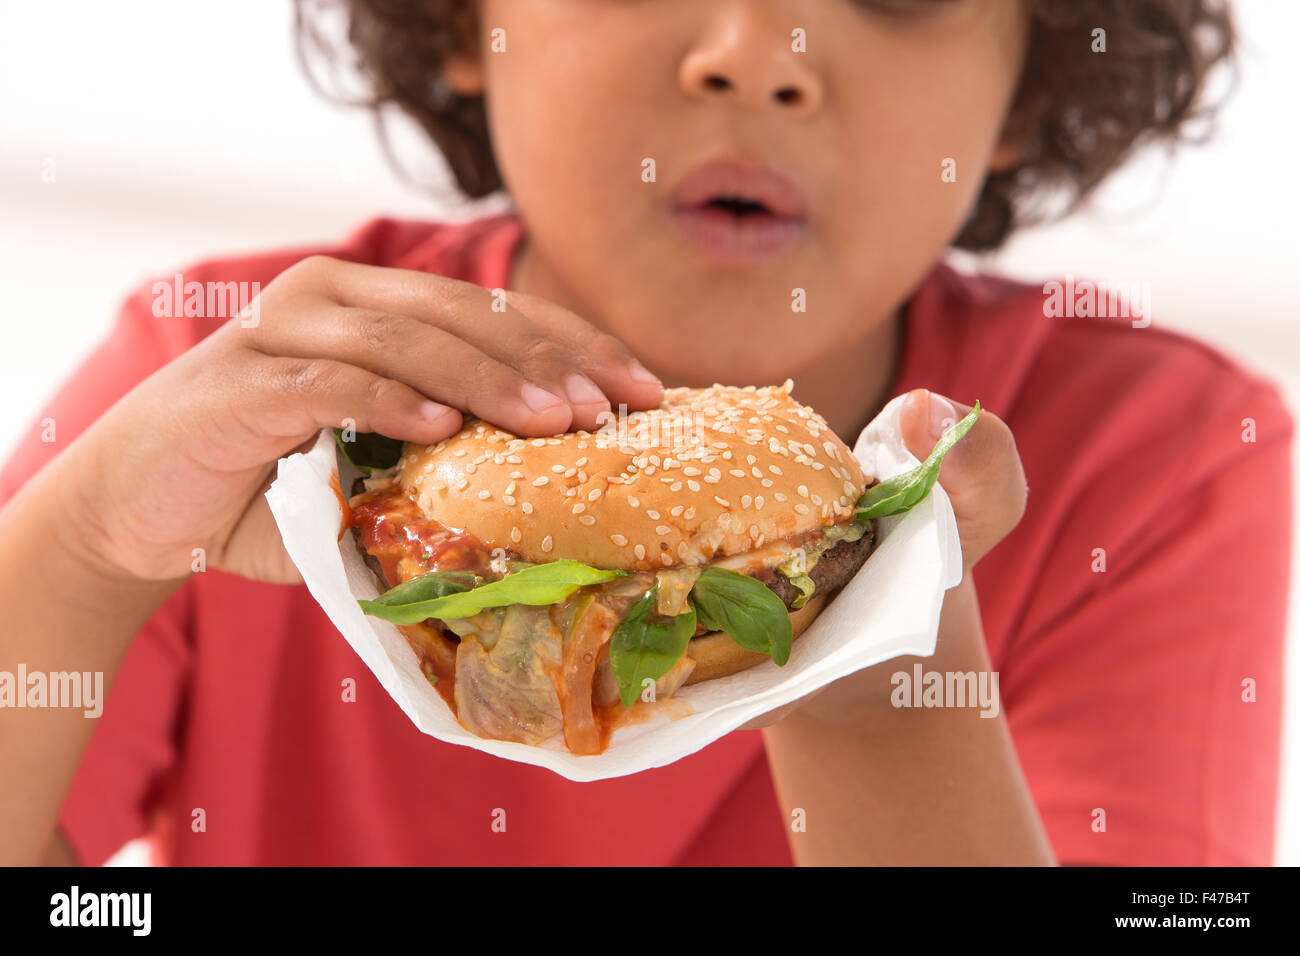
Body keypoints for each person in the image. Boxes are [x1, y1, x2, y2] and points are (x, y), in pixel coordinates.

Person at [1, 0, 1288, 866]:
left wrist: (880, 678)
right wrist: (81, 553)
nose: (755, 51)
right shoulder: (245, 399)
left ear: (1029, 82)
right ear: (465, 23)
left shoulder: (1163, 459)